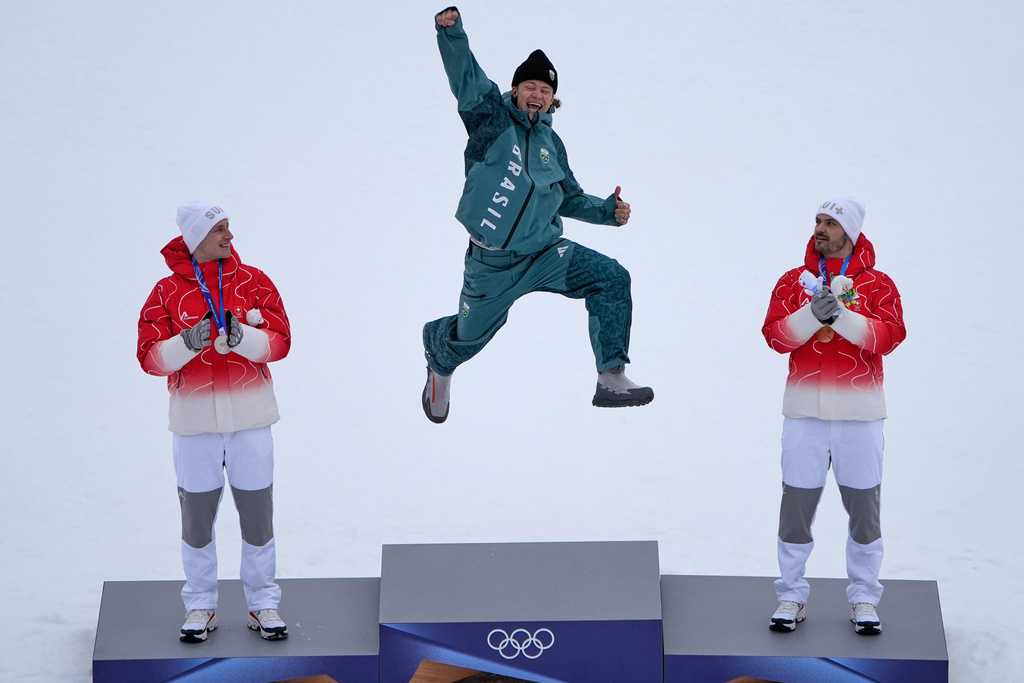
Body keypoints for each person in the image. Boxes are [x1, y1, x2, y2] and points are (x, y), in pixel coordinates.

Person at [421, 6, 654, 423]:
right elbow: (466, 77)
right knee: (469, 339)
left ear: (552, 98)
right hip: (492, 263)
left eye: (544, 90)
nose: (537, 94)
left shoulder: (553, 143)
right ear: (515, 91)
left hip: (546, 254)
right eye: (529, 86)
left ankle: (611, 376)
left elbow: (568, 198)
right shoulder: (490, 118)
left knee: (612, 277)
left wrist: (608, 212)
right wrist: (452, 32)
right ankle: (440, 362)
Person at [137, 203, 291, 642]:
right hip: (194, 425)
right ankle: (200, 604)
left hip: (251, 419)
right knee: (197, 520)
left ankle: (263, 603)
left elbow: (280, 342)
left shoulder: (254, 282)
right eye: (218, 229)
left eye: (228, 227)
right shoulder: (165, 293)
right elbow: (149, 357)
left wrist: (243, 337)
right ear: (194, 237)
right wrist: (189, 342)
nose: (229, 235)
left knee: (258, 516)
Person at [761, 198, 906, 635]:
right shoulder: (793, 281)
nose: (821, 228)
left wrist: (840, 316)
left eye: (831, 222)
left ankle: (864, 596)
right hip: (805, 412)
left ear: (851, 231)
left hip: (860, 414)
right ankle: (791, 594)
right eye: (819, 221)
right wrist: (810, 315)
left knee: (864, 509)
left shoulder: (878, 285)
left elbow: (889, 336)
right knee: (796, 507)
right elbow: (775, 335)